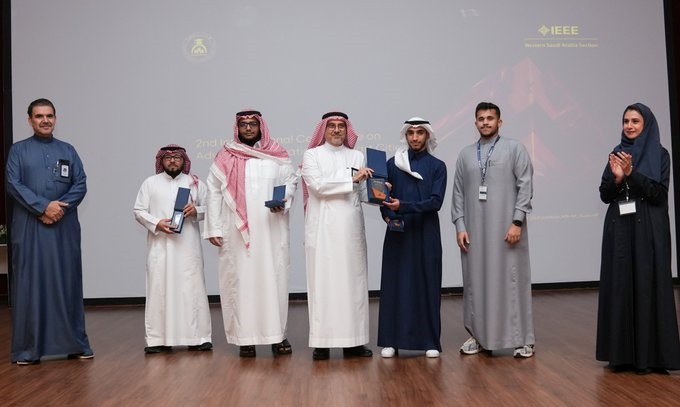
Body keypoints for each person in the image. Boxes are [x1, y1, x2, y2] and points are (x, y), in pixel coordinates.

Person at [6, 98, 93, 364]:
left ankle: (76, 344)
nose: (45, 120)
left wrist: (59, 209)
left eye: (49, 116)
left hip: (63, 227)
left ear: (55, 118)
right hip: (29, 226)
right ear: (30, 120)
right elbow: (13, 183)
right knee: (30, 284)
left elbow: (80, 184)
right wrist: (43, 207)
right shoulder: (18, 151)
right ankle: (28, 350)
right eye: (39, 116)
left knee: (67, 281)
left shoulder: (68, 150)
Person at [204, 110, 298, 357]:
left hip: (271, 229)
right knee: (240, 281)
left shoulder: (276, 154)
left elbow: (290, 181)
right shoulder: (225, 156)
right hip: (236, 232)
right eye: (243, 124)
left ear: (261, 127)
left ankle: (277, 336)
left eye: (252, 124)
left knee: (274, 280)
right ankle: (245, 338)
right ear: (237, 128)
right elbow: (213, 192)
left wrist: (283, 201)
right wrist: (213, 227)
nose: (248, 128)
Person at [596, 103, 680, 374]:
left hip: (650, 229)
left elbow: (658, 195)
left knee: (647, 285)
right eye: (626, 121)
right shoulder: (617, 153)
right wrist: (617, 179)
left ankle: (651, 357)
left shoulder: (661, 155)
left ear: (647, 125)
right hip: (620, 228)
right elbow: (605, 194)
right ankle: (621, 355)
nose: (629, 126)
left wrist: (632, 174)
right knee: (620, 284)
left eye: (635, 121)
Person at [452, 102, 535, 358]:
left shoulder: (514, 148)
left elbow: (525, 185)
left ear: (500, 122)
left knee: (512, 281)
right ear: (475, 122)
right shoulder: (466, 154)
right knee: (476, 283)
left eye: (490, 118)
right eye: (481, 118)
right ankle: (479, 337)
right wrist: (460, 225)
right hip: (474, 233)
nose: (485, 122)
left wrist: (517, 221)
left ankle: (523, 339)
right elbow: (457, 193)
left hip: (508, 231)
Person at [301, 111, 373, 360]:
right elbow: (318, 187)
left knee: (353, 285)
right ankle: (322, 343)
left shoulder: (357, 156)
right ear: (323, 129)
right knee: (323, 285)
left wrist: (380, 191)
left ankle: (354, 342)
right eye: (331, 126)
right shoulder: (312, 155)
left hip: (351, 231)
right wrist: (352, 178)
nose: (336, 130)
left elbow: (361, 193)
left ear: (346, 129)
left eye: (341, 126)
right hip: (323, 232)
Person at [378, 118, 447, 358]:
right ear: (405, 136)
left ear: (427, 136)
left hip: (426, 233)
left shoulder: (438, 166)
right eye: (411, 133)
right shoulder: (392, 164)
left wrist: (403, 206)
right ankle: (391, 341)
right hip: (398, 233)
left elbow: (435, 202)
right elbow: (383, 197)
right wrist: (388, 215)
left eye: (420, 133)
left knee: (427, 284)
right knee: (395, 285)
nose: (415, 137)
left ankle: (429, 341)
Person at [133, 144, 212, 354]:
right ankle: (158, 340)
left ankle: (198, 338)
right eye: (168, 158)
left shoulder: (195, 183)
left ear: (184, 160)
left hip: (188, 248)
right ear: (161, 161)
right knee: (160, 289)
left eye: (177, 157)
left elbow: (212, 208)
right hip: (160, 248)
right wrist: (157, 223)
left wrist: (196, 210)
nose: (172, 161)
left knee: (191, 289)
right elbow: (139, 210)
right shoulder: (150, 183)